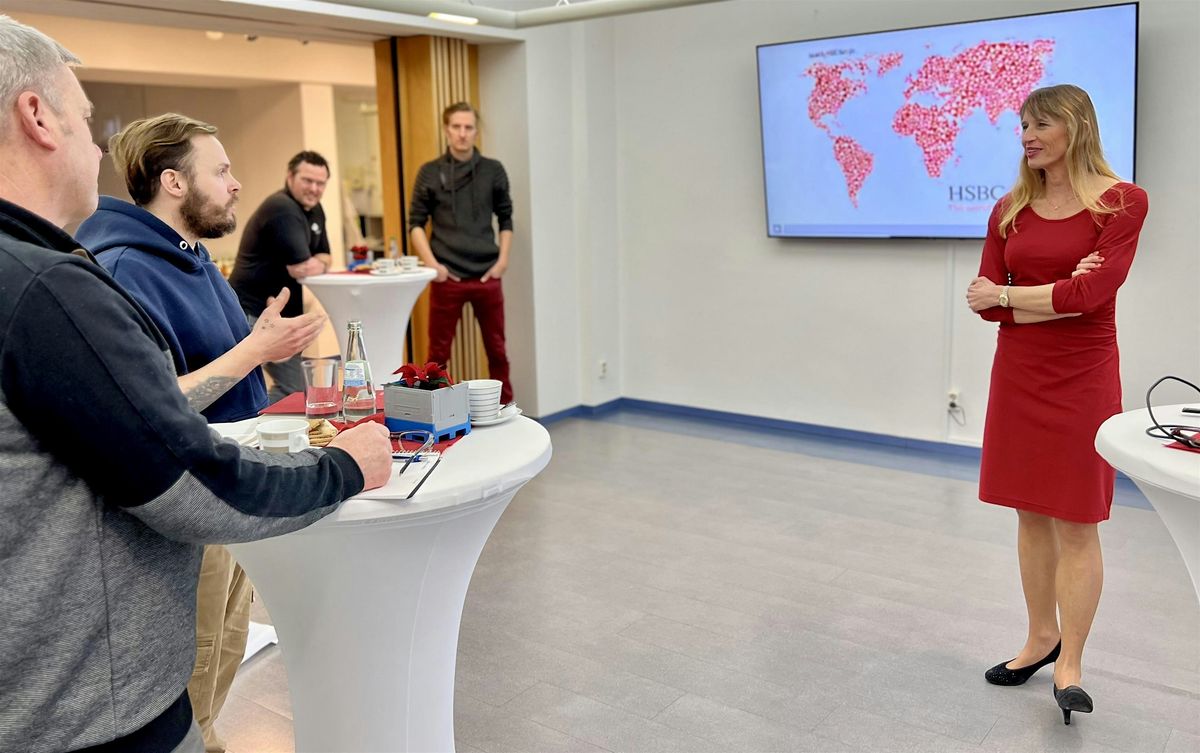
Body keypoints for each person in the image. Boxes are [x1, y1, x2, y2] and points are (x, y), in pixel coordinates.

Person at [0, 16, 392, 753]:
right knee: (206, 673)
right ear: (37, 118)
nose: (96, 148)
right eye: (85, 119)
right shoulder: (72, 282)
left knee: (219, 658)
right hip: (98, 702)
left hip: (101, 661)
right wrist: (338, 465)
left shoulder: (179, 259)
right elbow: (166, 440)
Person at [75, 112, 326, 753]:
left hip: (229, 483)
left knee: (223, 654)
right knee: (198, 668)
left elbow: (220, 363)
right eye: (221, 171)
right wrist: (253, 352)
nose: (236, 184)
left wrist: (260, 340)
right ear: (174, 182)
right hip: (190, 501)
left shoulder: (195, 260)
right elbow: (150, 402)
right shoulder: (126, 269)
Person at [966, 84, 1148, 725]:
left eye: (1041, 124)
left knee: (1076, 519)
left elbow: (1091, 298)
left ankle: (1070, 663)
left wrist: (1014, 294)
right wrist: (1054, 291)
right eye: (1023, 125)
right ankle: (1039, 638)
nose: (1027, 136)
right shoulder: (1010, 209)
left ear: (1078, 126)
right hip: (1020, 373)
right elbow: (985, 303)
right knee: (1029, 514)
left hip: (1083, 376)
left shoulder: (1123, 201)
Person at [409, 102, 515, 403]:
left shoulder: (493, 170)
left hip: (487, 276)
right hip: (448, 278)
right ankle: (435, 413)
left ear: (476, 132)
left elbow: (506, 218)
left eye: (468, 127)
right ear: (446, 130)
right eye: (456, 127)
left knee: (497, 351)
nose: (462, 133)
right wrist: (434, 266)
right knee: (437, 356)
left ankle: (505, 408)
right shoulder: (430, 172)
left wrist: (502, 261)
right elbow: (415, 223)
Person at [229, 151, 333, 402]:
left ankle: (261, 420)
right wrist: (318, 262)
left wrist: (319, 262)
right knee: (285, 391)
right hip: (250, 312)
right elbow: (300, 267)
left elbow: (326, 256)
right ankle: (258, 422)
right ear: (290, 177)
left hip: (279, 314)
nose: (314, 189)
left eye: (320, 183)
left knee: (293, 390)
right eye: (307, 180)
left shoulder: (315, 209)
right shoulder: (282, 208)